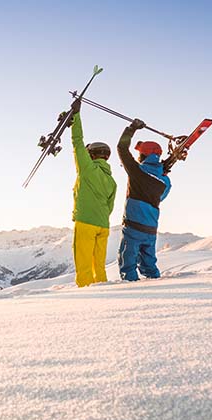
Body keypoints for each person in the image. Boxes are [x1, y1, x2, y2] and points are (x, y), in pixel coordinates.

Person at [69, 98, 118, 287]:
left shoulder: (88, 169)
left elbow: (77, 142)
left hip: (86, 223)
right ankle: (103, 289)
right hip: (103, 226)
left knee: (83, 265)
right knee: (99, 265)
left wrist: (75, 117)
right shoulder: (112, 180)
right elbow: (110, 206)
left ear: (91, 154)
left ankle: (85, 296)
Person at [116, 119, 172, 281]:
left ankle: (131, 291)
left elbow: (121, 148)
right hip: (151, 228)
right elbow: (161, 197)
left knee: (128, 264)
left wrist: (132, 129)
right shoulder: (165, 181)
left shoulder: (137, 171)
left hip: (133, 226)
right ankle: (155, 284)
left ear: (142, 155)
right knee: (149, 264)